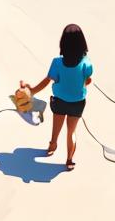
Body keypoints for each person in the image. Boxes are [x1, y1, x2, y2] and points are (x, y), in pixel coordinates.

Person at [21, 25, 93, 171]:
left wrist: (32, 90)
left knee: (56, 127)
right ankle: (69, 160)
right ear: (82, 43)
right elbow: (88, 80)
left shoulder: (57, 62)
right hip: (77, 103)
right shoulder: (87, 62)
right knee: (71, 132)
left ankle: (52, 145)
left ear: (63, 43)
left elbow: (47, 80)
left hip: (60, 101)